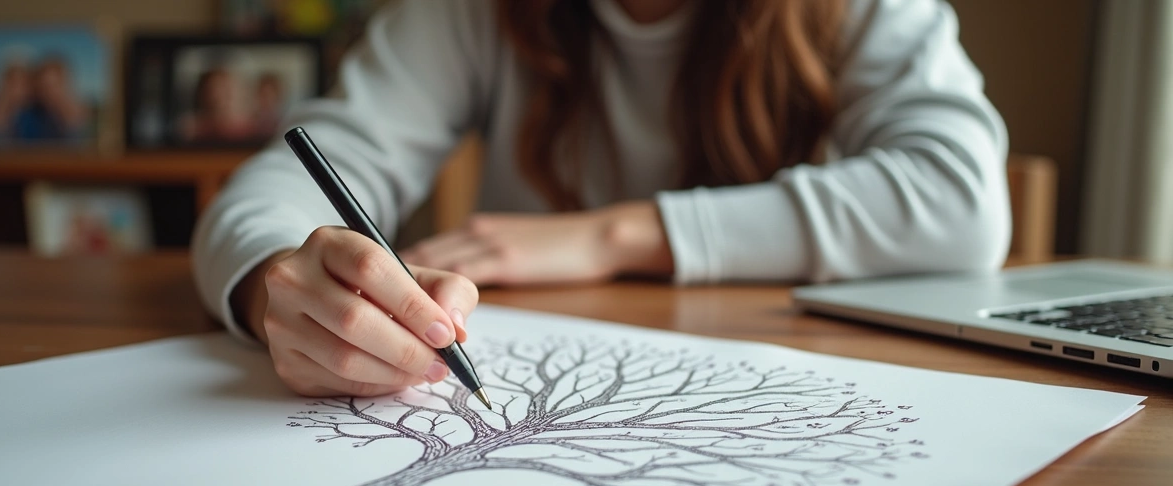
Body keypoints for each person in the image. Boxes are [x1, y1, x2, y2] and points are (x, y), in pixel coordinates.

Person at [193, 0, 1012, 399]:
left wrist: (617, 235)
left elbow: (962, 197)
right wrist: (279, 280)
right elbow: (282, 184)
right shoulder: (468, 12)